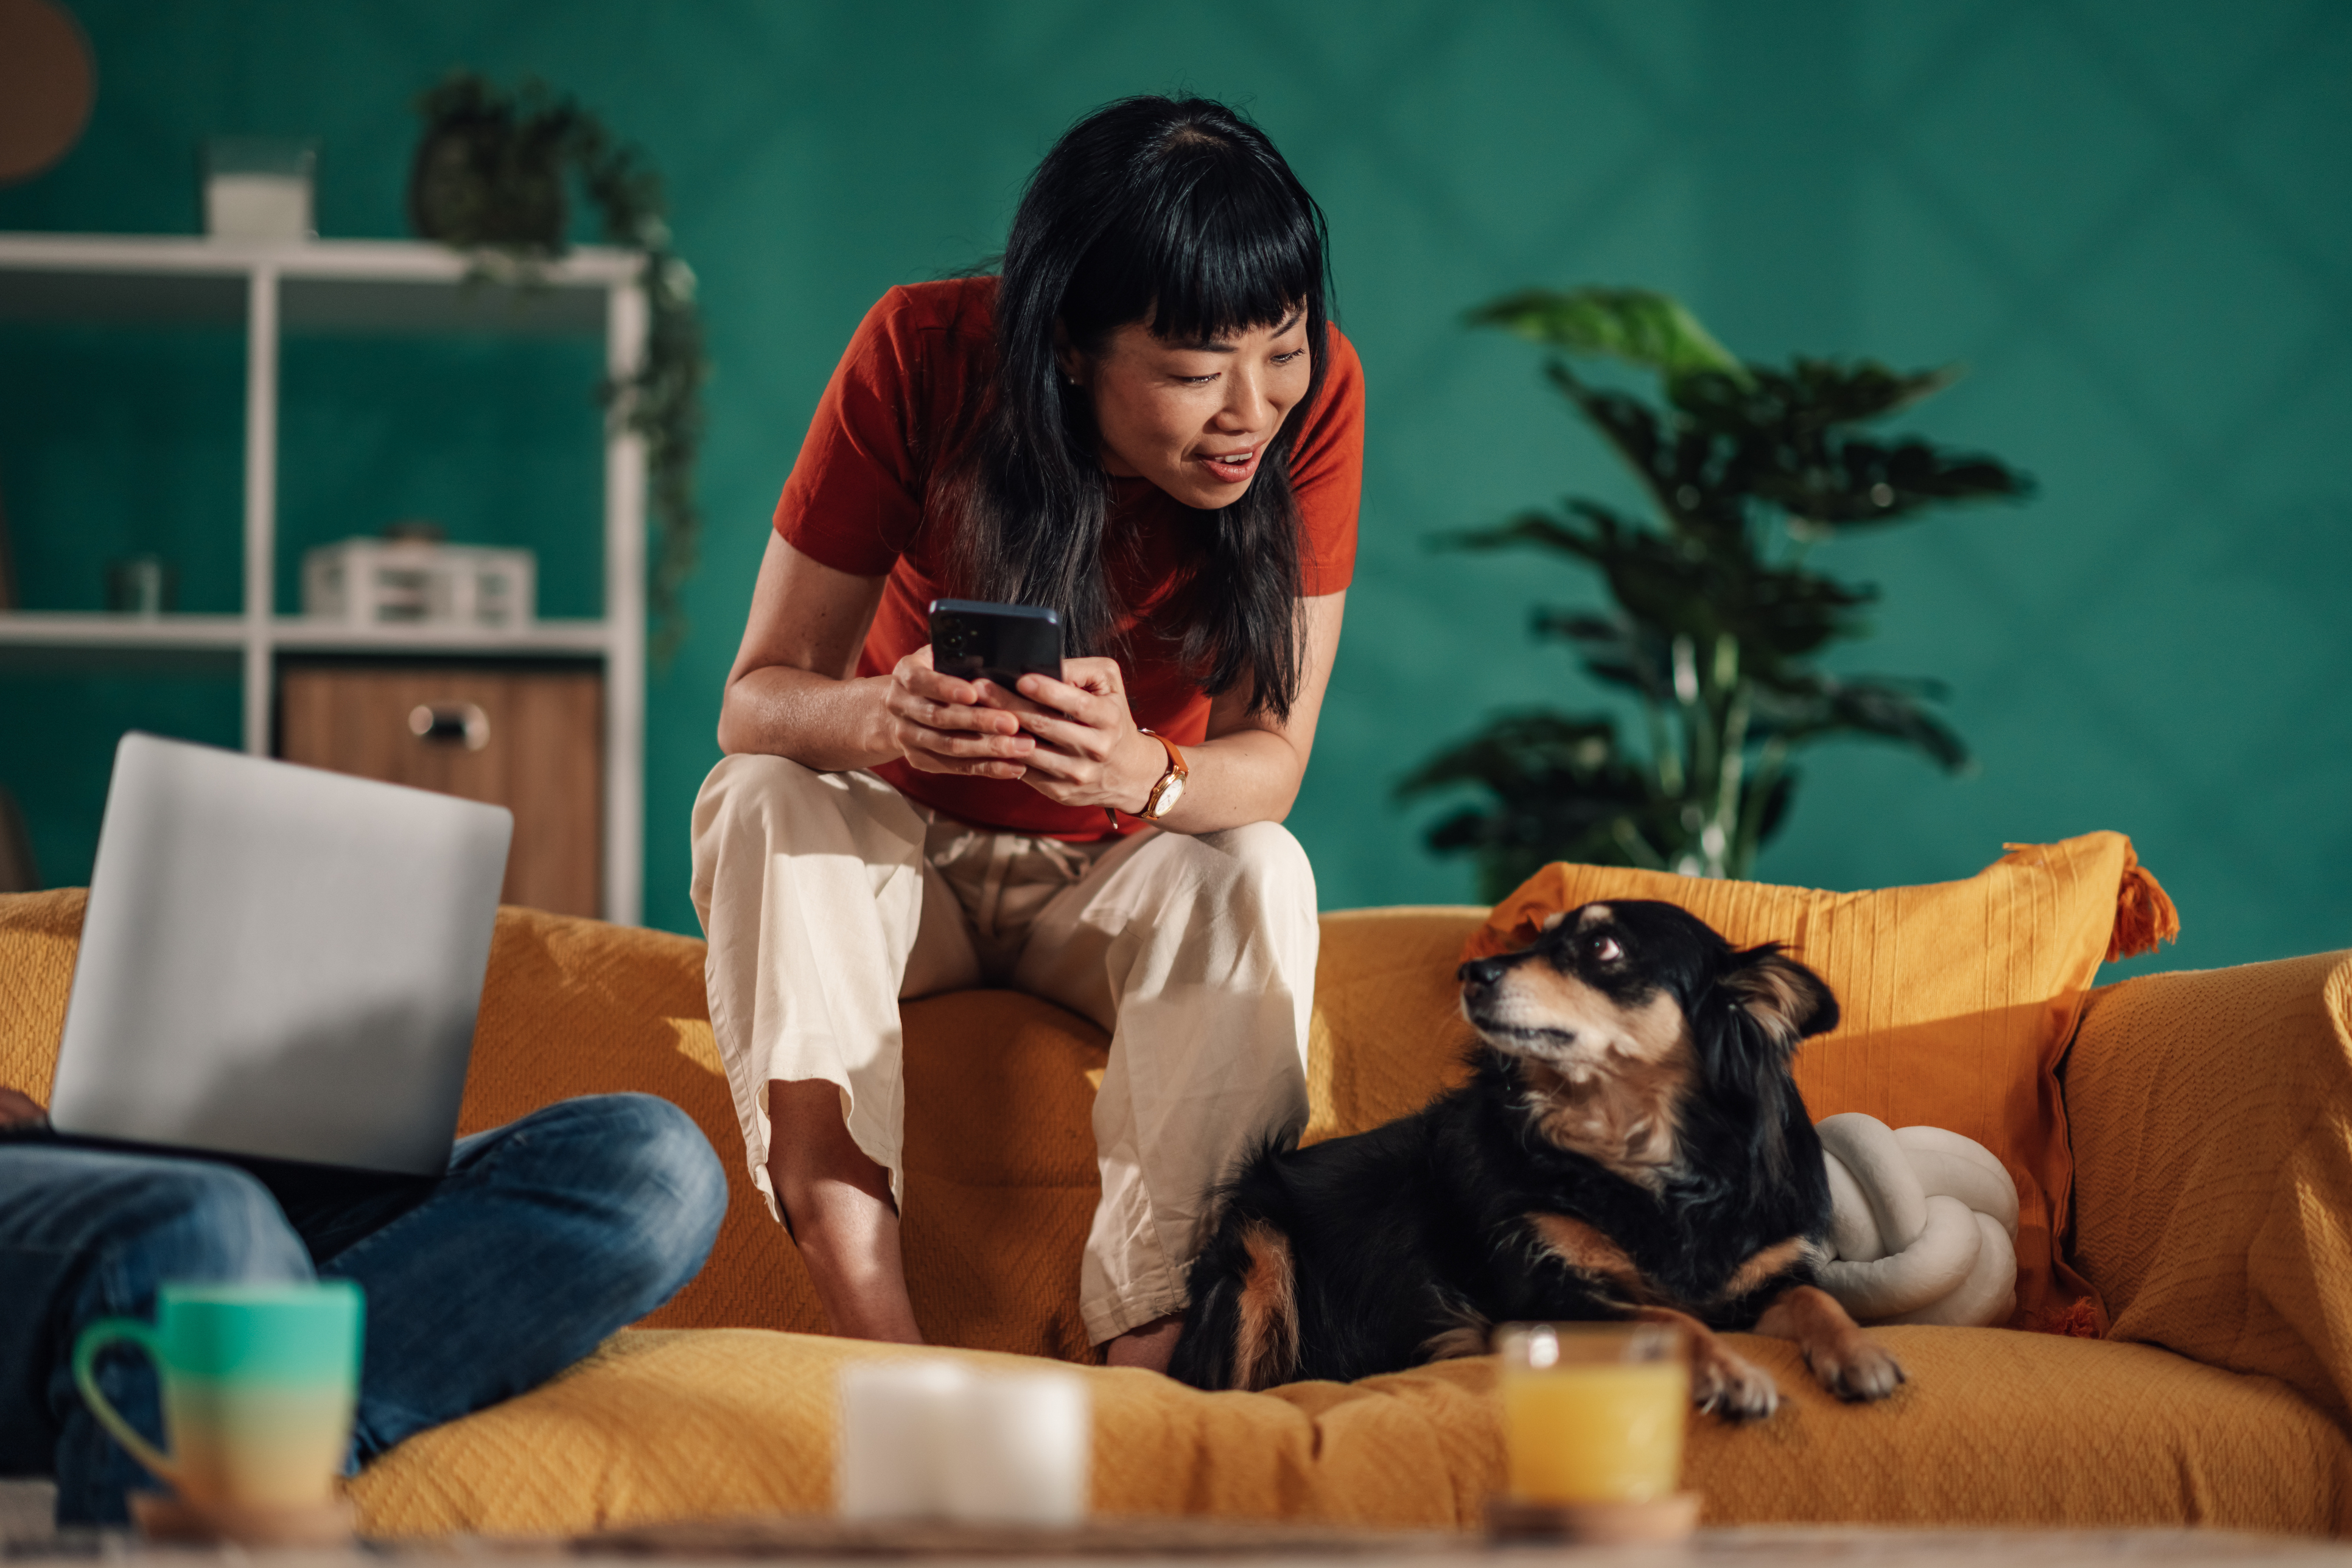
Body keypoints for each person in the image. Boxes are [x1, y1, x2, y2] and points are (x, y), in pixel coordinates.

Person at [693, 95, 1362, 1374]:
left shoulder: (1315, 402)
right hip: (904, 865)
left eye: (1278, 350)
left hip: (1114, 874)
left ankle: (1153, 1367)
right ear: (1065, 346)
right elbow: (757, 698)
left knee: (1260, 868)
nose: (1251, 411)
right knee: (761, 793)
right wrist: (881, 714)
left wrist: (1146, 773)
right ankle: (893, 1355)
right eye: (1189, 371)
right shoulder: (921, 350)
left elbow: (1270, 766)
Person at [0, 1083, 726, 1526]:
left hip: (213, 1173)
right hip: (74, 1186)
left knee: (654, 1165)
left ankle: (264, 1386)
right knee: (205, 1227)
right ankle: (257, 1378)